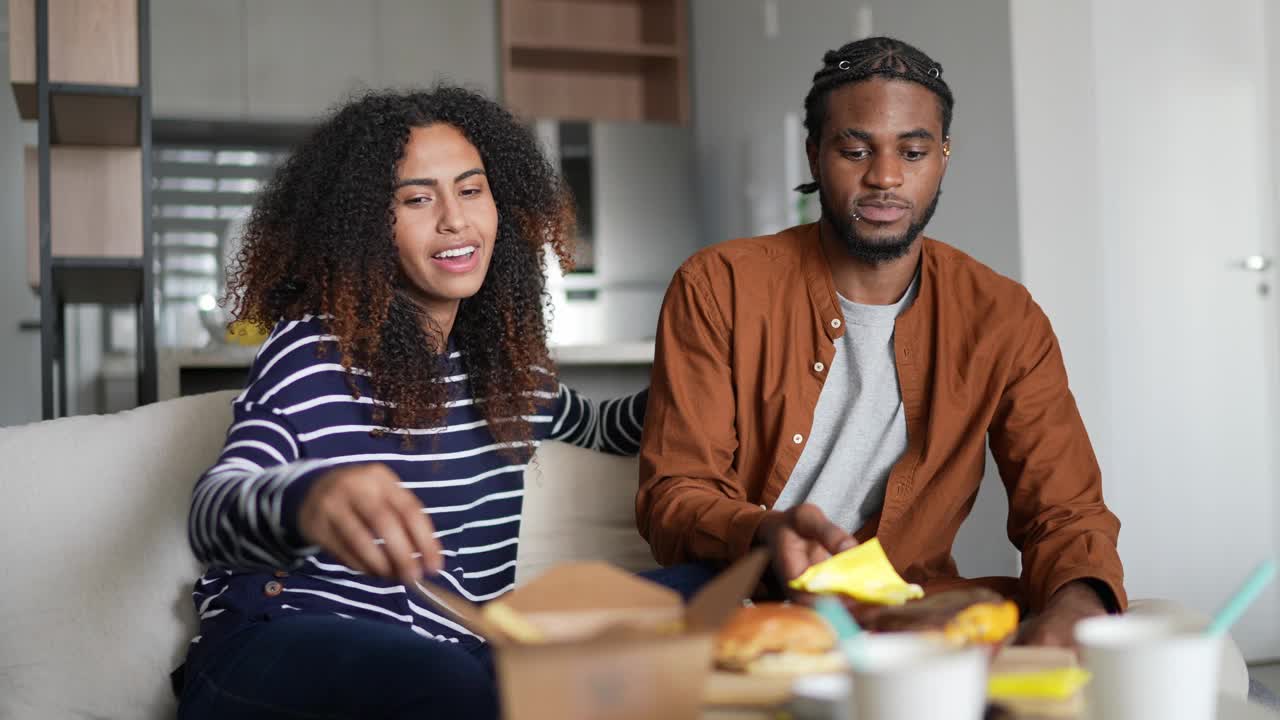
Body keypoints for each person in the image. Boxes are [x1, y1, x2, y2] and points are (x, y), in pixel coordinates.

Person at [175, 86, 648, 720]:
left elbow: (609, 427)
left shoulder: (510, 372)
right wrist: (308, 500)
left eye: (472, 190)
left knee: (683, 605)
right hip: (274, 644)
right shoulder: (318, 351)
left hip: (453, 654)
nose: (454, 218)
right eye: (418, 198)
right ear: (366, 225)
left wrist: (723, 368)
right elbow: (214, 507)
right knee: (453, 685)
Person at [636, 37, 1125, 647]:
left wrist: (1078, 607)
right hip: (748, 611)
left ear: (943, 157)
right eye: (855, 149)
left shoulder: (1004, 317)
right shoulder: (718, 286)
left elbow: (1065, 511)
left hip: (911, 617)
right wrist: (764, 532)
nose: (886, 176)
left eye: (913, 151)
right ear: (815, 155)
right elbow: (674, 498)